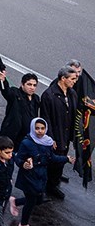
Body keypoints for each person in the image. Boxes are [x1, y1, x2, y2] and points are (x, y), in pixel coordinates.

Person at [10, 117, 75, 226]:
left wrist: (66, 159)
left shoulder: (48, 142)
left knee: (38, 200)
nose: (40, 131)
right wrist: (23, 164)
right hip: (29, 177)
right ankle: (23, 225)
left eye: (42, 128)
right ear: (32, 128)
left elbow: (51, 158)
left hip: (41, 177)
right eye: (37, 128)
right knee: (31, 200)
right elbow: (18, 157)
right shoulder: (27, 143)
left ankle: (15, 201)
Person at [40, 65, 79, 200]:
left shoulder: (72, 93)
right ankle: (47, 186)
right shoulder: (49, 95)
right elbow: (46, 118)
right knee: (53, 160)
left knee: (62, 157)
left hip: (66, 134)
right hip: (56, 134)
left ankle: (54, 182)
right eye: (72, 79)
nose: (74, 81)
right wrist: (50, 138)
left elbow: (74, 114)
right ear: (63, 78)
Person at [0, 73, 41, 150]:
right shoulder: (15, 93)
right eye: (29, 84)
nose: (32, 87)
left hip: (26, 138)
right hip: (12, 136)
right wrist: (3, 81)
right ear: (22, 84)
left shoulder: (36, 98)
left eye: (34, 85)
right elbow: (6, 91)